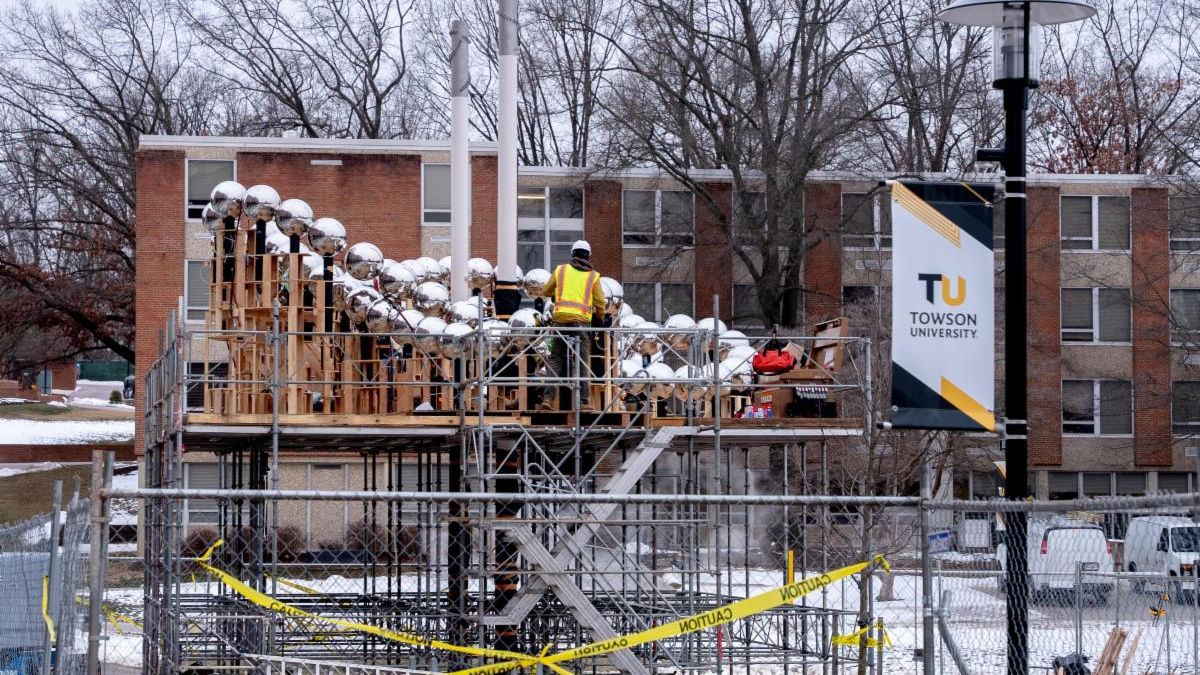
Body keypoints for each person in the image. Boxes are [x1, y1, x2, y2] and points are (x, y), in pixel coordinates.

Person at [540, 240, 606, 409]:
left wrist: (557, 294)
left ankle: (548, 399)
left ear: (572, 254)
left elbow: (545, 291)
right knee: (582, 360)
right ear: (588, 256)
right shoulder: (593, 276)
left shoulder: (560, 270)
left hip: (560, 320)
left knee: (556, 358)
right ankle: (583, 401)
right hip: (581, 323)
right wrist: (600, 319)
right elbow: (600, 302)